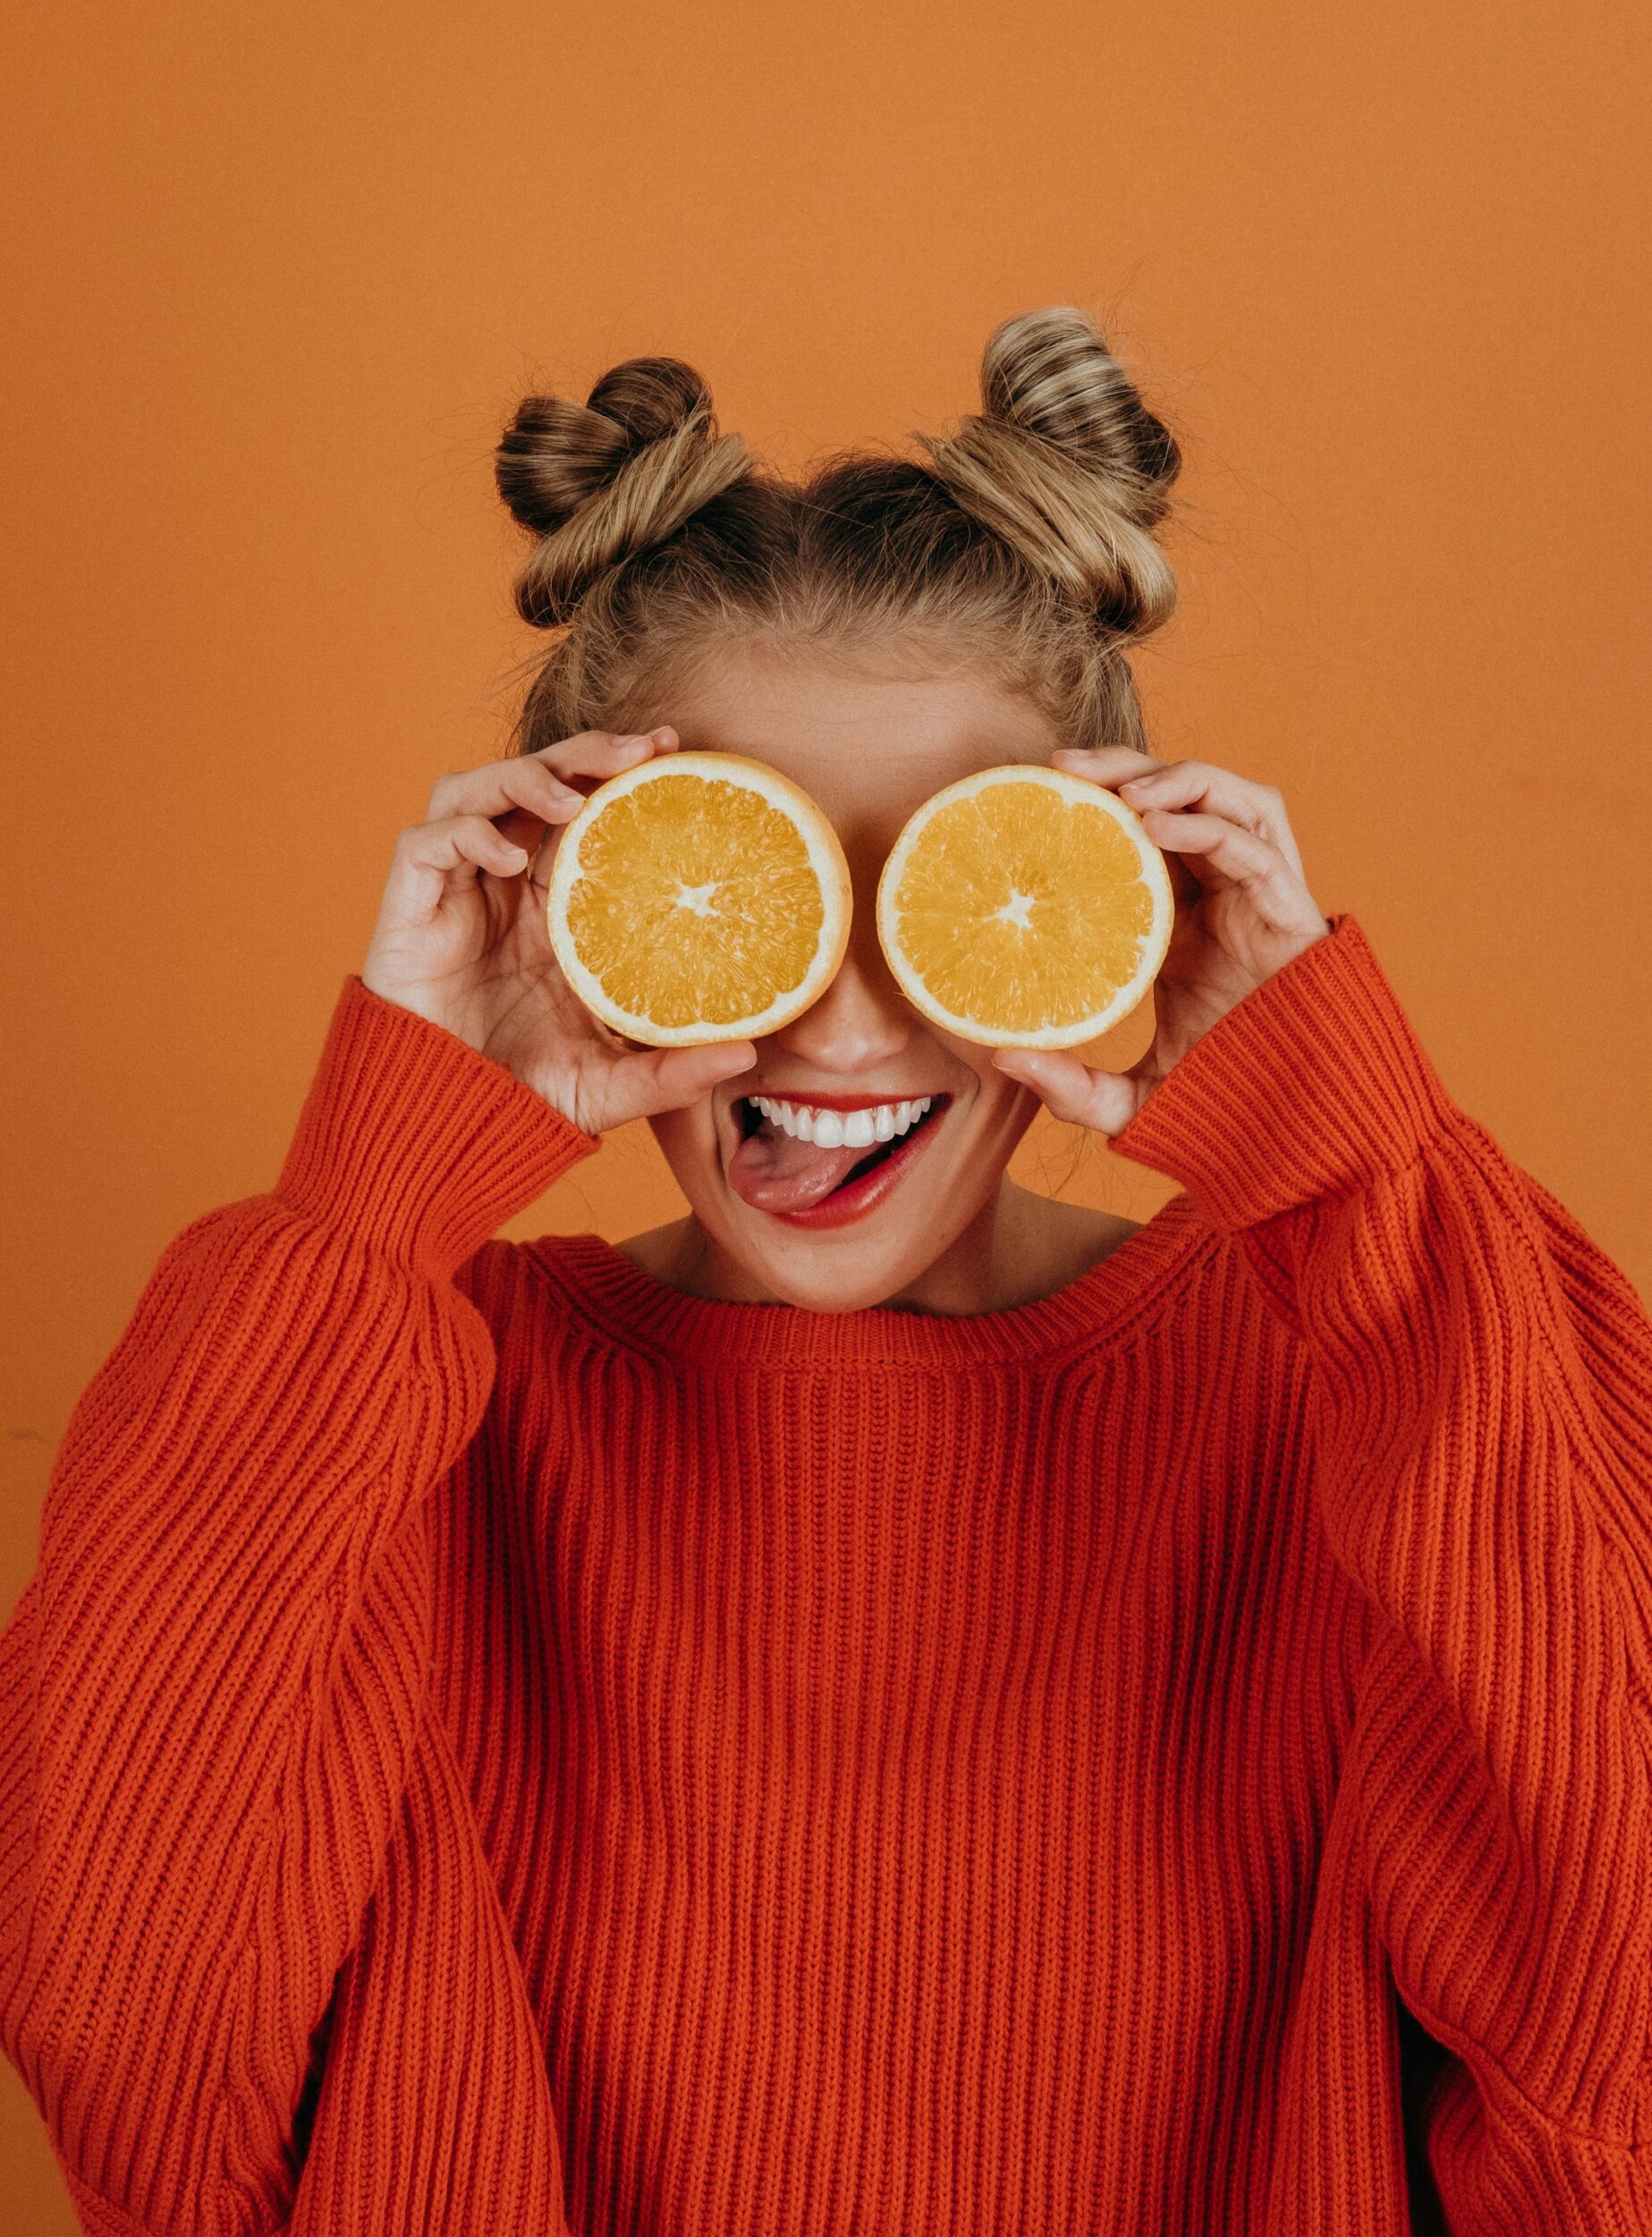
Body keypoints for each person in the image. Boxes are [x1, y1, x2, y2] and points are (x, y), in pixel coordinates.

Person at [2, 308, 1648, 2237]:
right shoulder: (401, 1408)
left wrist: (1358, 1171)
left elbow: (1608, 2076)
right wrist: (376, 1187)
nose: (848, 1029)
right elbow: (125, 2049)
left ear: (1118, 896)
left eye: (955, 886)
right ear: (567, 897)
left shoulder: (1367, 1367)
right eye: (736, 882)